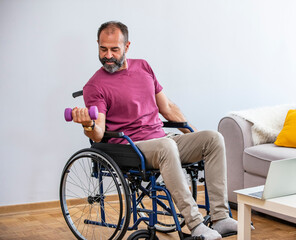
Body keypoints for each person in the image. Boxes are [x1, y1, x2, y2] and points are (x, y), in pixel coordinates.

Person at [71, 21, 237, 240]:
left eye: (114, 49)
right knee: (166, 145)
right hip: (130, 148)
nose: (108, 56)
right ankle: (196, 224)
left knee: (212, 138)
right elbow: (99, 132)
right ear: (98, 46)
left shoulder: (143, 67)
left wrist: (192, 133)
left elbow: (167, 108)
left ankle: (221, 217)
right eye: (103, 49)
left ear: (127, 47)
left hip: (161, 138)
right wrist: (87, 124)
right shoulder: (95, 85)